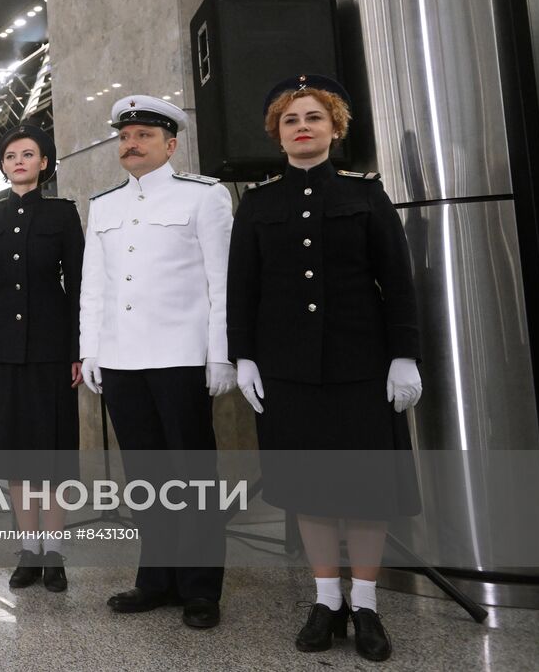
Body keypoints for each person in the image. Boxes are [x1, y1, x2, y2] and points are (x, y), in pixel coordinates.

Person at [227, 75, 423, 662]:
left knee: (366, 491)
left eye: (314, 117)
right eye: (290, 120)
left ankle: (365, 604)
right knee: (308, 490)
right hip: (287, 371)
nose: (302, 127)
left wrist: (404, 354)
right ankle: (326, 599)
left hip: (361, 367)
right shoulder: (259, 203)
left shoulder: (367, 196)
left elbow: (398, 281)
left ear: (335, 128)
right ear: (277, 133)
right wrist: (244, 357)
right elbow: (244, 289)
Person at [79, 96, 233, 628]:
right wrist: (92, 349)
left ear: (170, 144)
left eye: (143, 135)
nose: (131, 144)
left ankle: (199, 588)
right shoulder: (103, 204)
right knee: (145, 476)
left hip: (182, 356)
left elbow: (222, 282)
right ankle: (156, 579)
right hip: (123, 360)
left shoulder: (204, 196)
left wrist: (221, 354)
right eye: (125, 136)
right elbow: (92, 286)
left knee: (193, 476)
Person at [0, 122, 84, 593]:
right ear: (3, 165)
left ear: (44, 163)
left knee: (51, 453)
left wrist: (78, 348)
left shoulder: (62, 214)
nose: (18, 161)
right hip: (1, 354)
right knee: (13, 455)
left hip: (52, 351)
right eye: (11, 155)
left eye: (28, 154)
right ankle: (28, 550)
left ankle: (54, 553)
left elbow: (78, 287)